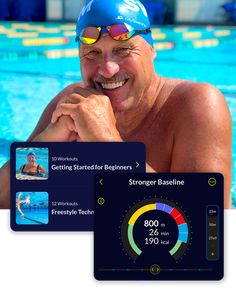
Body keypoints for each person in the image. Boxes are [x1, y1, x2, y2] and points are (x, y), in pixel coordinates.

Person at [0, 0, 232, 208]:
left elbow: (206, 226)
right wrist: (49, 139)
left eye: (123, 50)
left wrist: (108, 144)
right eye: (92, 53)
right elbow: (6, 202)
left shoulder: (196, 104)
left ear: (152, 50)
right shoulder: (71, 104)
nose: (108, 69)